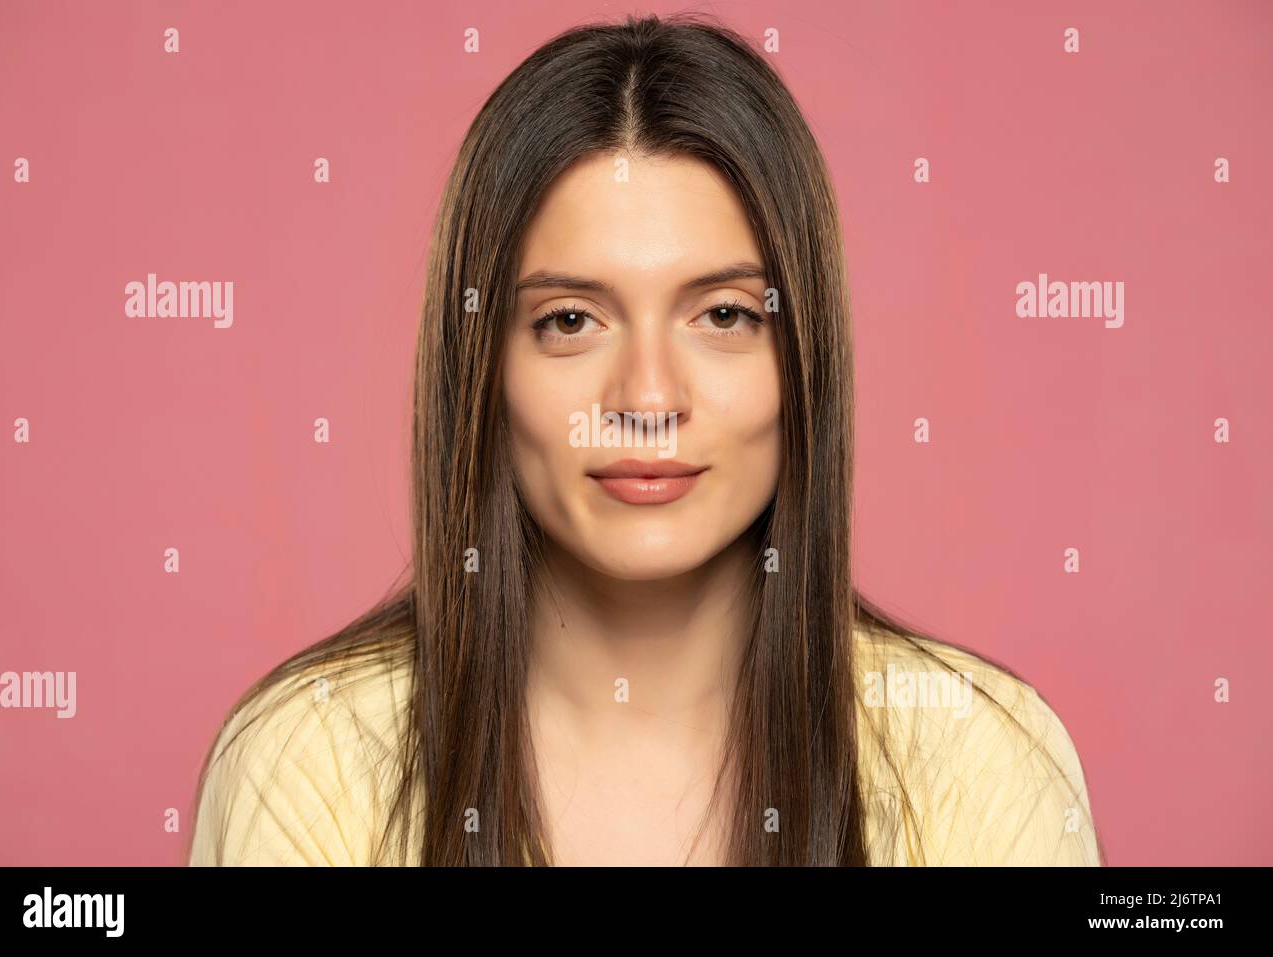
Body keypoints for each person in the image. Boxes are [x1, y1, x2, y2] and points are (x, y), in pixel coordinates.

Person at [188, 12, 1103, 867]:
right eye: (572, 319)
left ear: (804, 359)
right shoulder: (305, 760)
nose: (648, 398)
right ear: (481, 371)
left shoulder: (984, 760)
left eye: (724, 313)